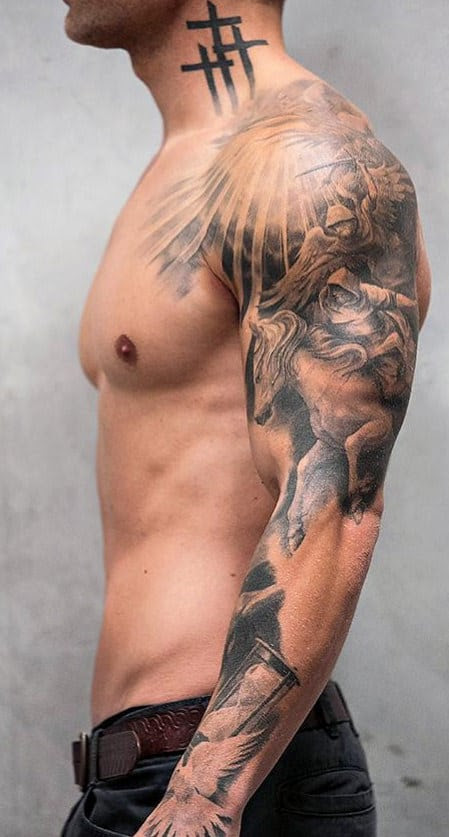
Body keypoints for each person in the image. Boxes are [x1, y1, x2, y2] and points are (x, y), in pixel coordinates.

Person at [60, 1, 432, 835]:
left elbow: (334, 493)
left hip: (220, 780)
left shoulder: (305, 160)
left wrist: (203, 795)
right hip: (154, 775)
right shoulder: (187, 161)